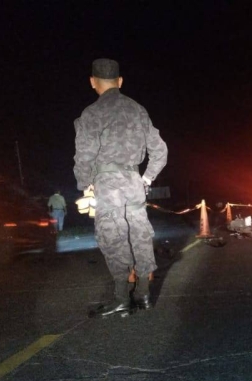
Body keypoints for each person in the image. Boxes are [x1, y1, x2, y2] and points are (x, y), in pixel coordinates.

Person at [73, 58, 168, 315]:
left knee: (113, 237)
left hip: (107, 183)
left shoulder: (92, 114)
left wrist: (85, 185)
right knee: (140, 233)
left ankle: (122, 299)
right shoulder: (138, 110)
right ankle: (144, 295)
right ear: (120, 81)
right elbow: (159, 151)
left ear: (93, 82)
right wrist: (146, 178)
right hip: (133, 182)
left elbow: (84, 155)